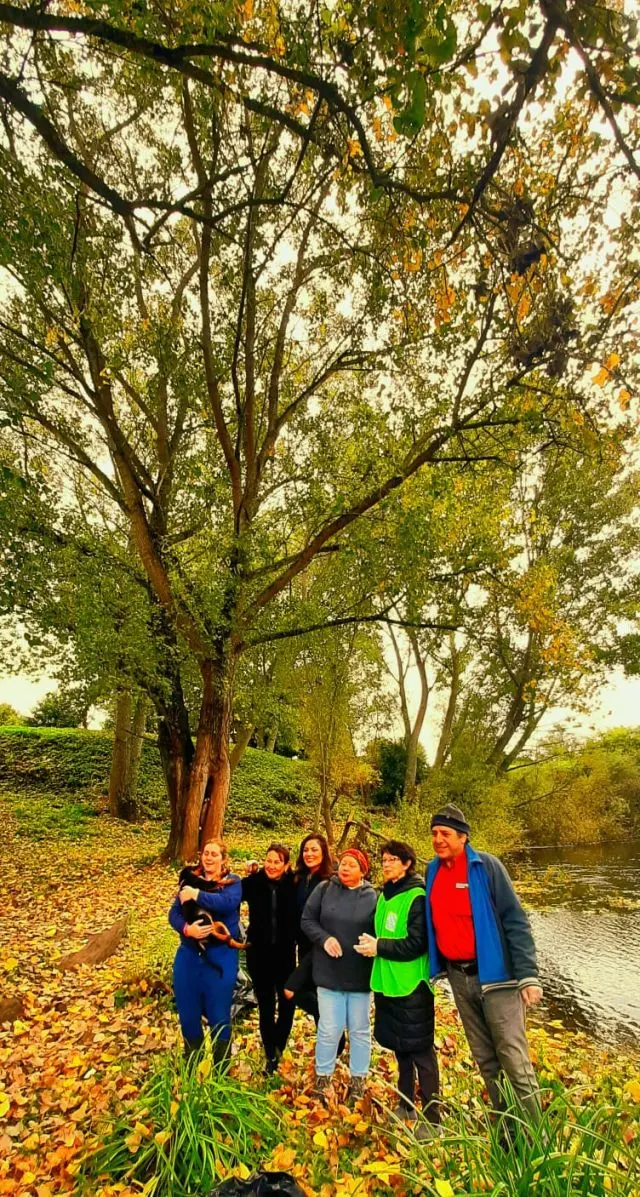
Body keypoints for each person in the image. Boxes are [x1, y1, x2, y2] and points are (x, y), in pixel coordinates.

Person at [425, 804, 542, 1120]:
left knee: (514, 1061)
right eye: (434, 833)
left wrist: (528, 975)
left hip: (497, 979)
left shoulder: (486, 867)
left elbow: (515, 920)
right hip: (459, 979)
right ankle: (507, 1128)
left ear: (463, 837)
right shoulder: (432, 871)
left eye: (445, 833)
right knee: (485, 1059)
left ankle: (535, 1138)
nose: (438, 839)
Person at [355, 840, 440, 1141]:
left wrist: (378, 946)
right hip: (387, 983)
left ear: (407, 863)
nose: (386, 863)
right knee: (400, 1048)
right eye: (384, 859)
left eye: (393, 859)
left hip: (411, 986)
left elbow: (417, 943)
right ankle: (406, 1105)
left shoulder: (417, 895)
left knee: (421, 1051)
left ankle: (432, 1118)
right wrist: (371, 944)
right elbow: (383, 932)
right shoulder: (385, 895)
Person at [301, 846, 377, 1098]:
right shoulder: (325, 890)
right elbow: (307, 920)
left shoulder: (373, 897)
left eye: (351, 865)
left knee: (359, 1029)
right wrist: (324, 939)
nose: (345, 868)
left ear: (363, 871)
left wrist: (375, 946)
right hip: (329, 972)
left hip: (360, 974)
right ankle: (322, 1079)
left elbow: (383, 932)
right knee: (329, 1028)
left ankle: (358, 1082)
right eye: (342, 863)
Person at [169, 838, 242, 1061]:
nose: (209, 857)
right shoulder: (191, 880)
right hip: (189, 956)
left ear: (223, 858)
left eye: (214, 854)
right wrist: (186, 929)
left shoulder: (232, 882)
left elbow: (227, 903)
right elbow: (174, 914)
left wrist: (197, 895)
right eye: (206, 853)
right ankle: (193, 1067)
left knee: (219, 1015)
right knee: (188, 1014)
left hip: (220, 958)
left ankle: (221, 1072)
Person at [241, 843, 298, 1074]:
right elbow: (229, 890)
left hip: (285, 955)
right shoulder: (253, 883)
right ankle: (269, 1055)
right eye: (269, 860)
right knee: (265, 1005)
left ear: (286, 865)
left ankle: (278, 1046)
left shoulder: (294, 884)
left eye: (277, 862)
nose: (272, 866)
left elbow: (324, 872)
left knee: (287, 1004)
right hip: (259, 954)